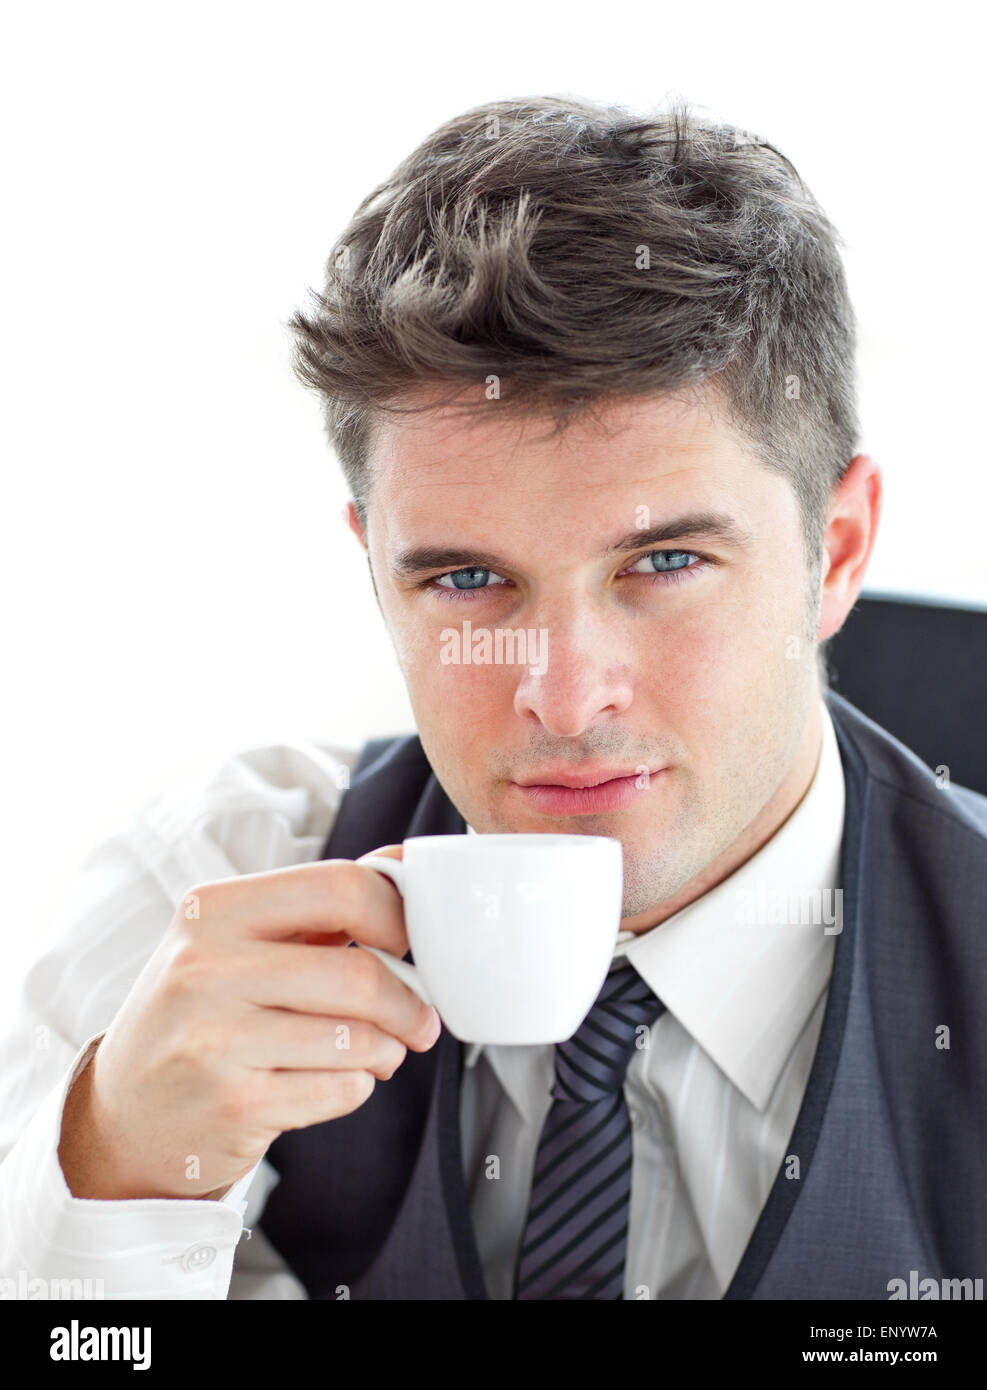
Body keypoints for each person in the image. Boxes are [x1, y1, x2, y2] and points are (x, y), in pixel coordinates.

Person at [1, 94, 984, 1302]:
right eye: (467, 578)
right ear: (373, 567)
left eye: (664, 564)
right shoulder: (202, 886)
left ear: (834, 549)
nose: (563, 697)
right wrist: (122, 1172)